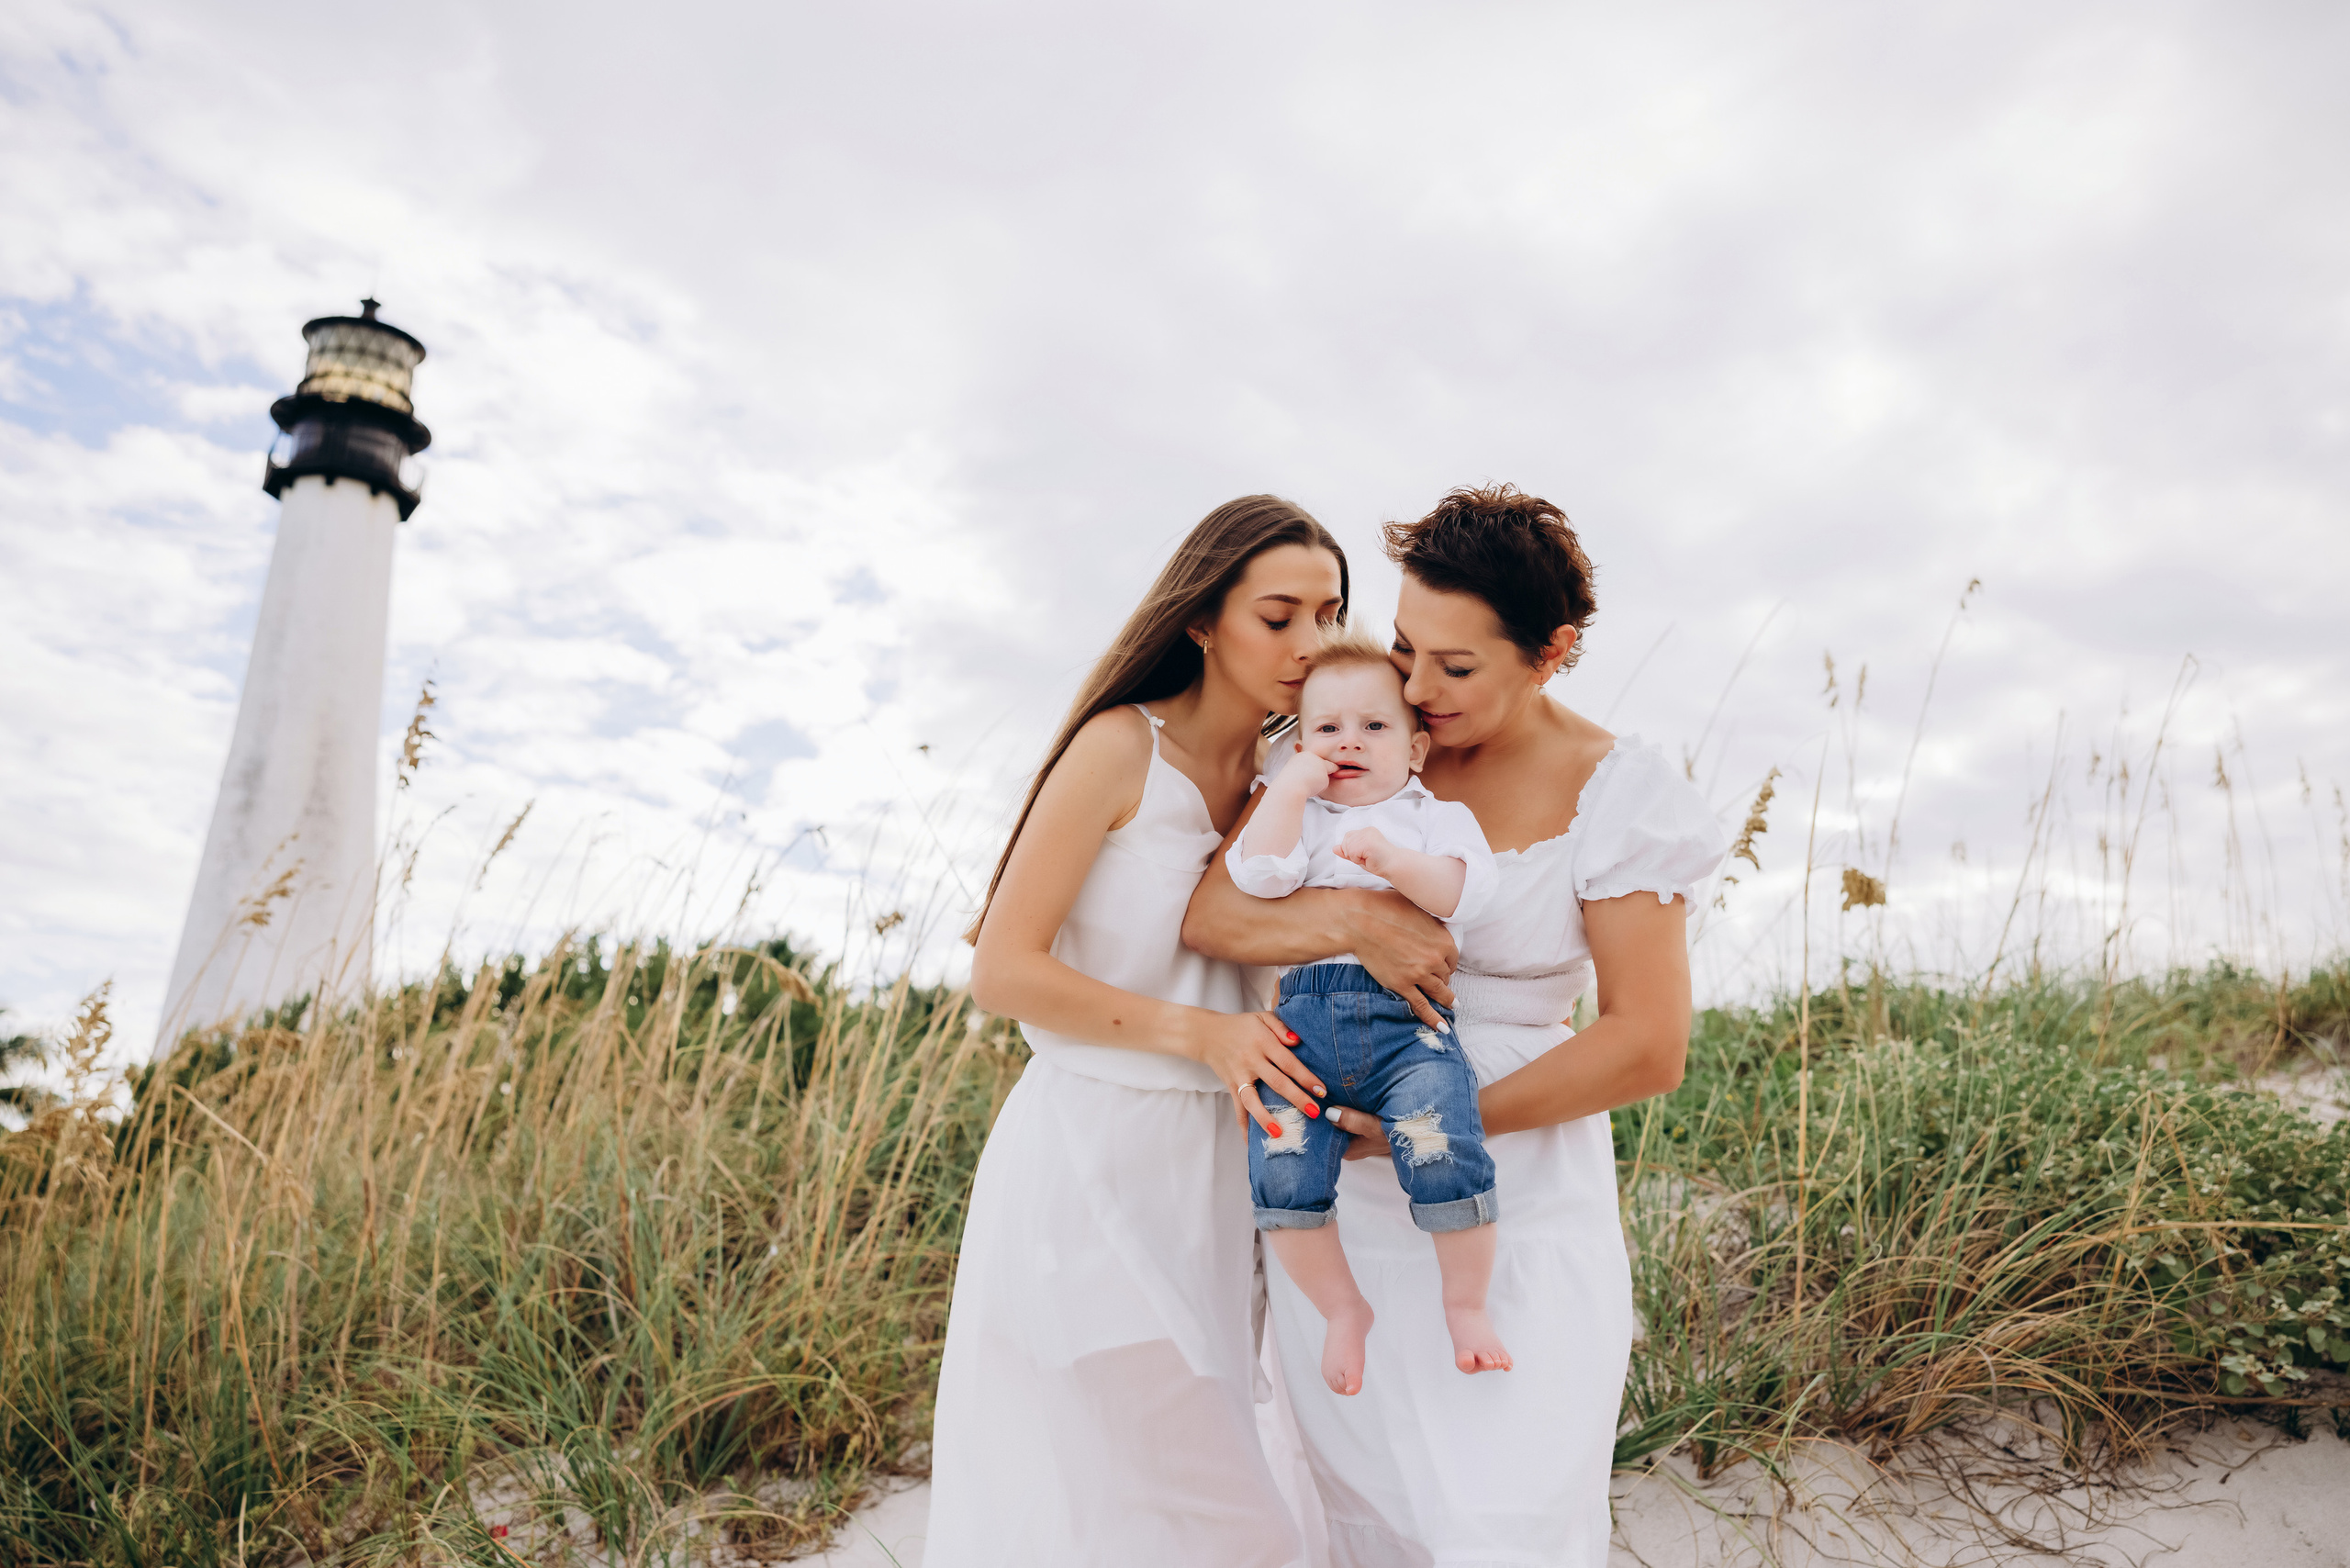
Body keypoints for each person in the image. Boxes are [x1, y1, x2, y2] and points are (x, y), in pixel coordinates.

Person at [1185, 484, 1729, 1565]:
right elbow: (1216, 912)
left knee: (1506, 1507)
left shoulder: (1618, 793)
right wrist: (1354, 922)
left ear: (1553, 650)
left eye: (1457, 667)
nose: (1416, 688)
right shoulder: (1349, 744)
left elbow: (1646, 1042)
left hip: (1508, 1173)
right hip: (1344, 1179)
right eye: (1404, 646)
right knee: (1371, 1503)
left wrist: (1437, 1123)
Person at [926, 496, 1346, 1568]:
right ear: (1202, 621)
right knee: (1221, 1516)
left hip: (1237, 1169)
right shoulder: (1121, 747)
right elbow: (1003, 969)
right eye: (1279, 615)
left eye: (1329, 615)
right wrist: (1200, 1031)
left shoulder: (1302, 779)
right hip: (1093, 1157)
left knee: (1154, 1506)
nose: (1309, 645)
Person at [1226, 623, 1507, 1397]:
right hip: (1302, 1032)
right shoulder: (1303, 815)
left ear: (1415, 749)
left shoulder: (1433, 816)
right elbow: (1259, 876)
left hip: (1404, 1032)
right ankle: (1343, 1309)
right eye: (1326, 730)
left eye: (1373, 726)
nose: (1348, 742)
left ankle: (1466, 1305)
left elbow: (1463, 894)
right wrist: (1289, 787)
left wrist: (1393, 862)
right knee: (1282, 1174)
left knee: (1440, 1145)